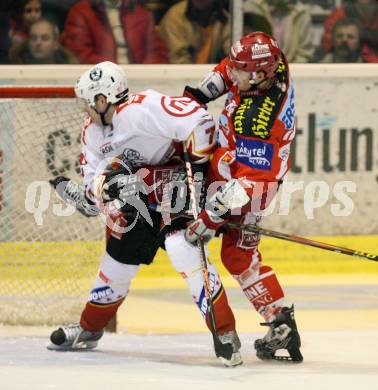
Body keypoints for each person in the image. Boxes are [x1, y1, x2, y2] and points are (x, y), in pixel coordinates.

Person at [47, 61, 242, 367]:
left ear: (102, 100)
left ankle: (226, 332)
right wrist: (97, 191)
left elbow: (202, 123)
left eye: (87, 101)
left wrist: (200, 179)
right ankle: (89, 328)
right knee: (118, 260)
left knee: (183, 249)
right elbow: (94, 183)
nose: (84, 109)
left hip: (175, 183)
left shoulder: (143, 108)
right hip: (137, 195)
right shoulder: (91, 133)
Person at [183, 32, 303, 362]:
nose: (233, 74)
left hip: (251, 186)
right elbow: (231, 67)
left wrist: (211, 216)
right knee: (239, 257)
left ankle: (280, 322)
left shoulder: (258, 122)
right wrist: (200, 92)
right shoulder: (271, 66)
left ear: (261, 74)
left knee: (237, 256)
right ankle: (281, 322)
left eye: (241, 71)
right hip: (239, 168)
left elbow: (250, 183)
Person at [61, 0, 168, 64]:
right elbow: (80, 54)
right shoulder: (80, 12)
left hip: (140, 80)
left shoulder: (141, 13)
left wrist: (145, 74)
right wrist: (114, 72)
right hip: (102, 81)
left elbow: (156, 52)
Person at [159, 0, 230, 64]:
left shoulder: (224, 18)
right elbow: (178, 61)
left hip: (211, 75)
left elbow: (232, 53)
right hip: (178, 76)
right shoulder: (175, 17)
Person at [244, 0, 314, 63]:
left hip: (290, 72)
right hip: (256, 70)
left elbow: (304, 53)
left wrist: (287, 72)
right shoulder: (252, 7)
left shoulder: (302, 14)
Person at [9, 18, 78, 64]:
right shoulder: (13, 64)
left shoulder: (69, 66)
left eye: (45, 38)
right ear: (28, 43)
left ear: (55, 44)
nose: (38, 43)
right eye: (34, 38)